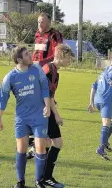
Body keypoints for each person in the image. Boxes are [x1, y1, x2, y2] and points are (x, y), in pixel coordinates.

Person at [0, 46, 51, 188]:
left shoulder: (37, 69)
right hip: (22, 118)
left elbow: (45, 87)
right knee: (21, 148)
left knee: (40, 147)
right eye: (27, 54)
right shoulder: (10, 77)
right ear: (19, 59)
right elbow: (2, 97)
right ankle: (20, 182)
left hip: (39, 115)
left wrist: (47, 106)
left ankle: (39, 181)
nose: (31, 55)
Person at [28, 12, 64, 159]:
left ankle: (39, 144)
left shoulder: (55, 35)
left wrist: (41, 63)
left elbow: (57, 54)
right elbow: (36, 53)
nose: (40, 25)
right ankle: (34, 145)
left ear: (49, 22)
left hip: (45, 71)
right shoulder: (37, 34)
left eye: (42, 22)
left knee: (43, 104)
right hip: (34, 72)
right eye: (38, 22)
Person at [41, 44, 74, 188]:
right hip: (44, 111)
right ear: (61, 55)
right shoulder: (49, 69)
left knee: (47, 143)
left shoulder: (55, 72)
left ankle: (42, 177)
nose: (70, 61)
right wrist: (57, 115)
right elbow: (46, 95)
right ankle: (46, 177)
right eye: (68, 58)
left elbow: (50, 95)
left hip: (45, 110)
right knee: (57, 143)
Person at [88, 83, 112, 153]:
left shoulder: (104, 75)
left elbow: (94, 86)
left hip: (102, 101)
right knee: (107, 123)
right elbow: (94, 87)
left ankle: (105, 143)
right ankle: (101, 148)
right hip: (104, 102)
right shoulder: (107, 75)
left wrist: (91, 102)